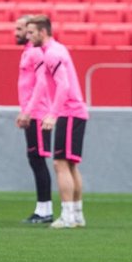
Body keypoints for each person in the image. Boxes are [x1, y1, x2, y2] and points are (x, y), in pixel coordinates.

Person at [26, 15, 88, 229]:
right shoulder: (51, 52)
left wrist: (52, 114)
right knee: (70, 164)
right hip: (73, 111)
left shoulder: (53, 54)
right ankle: (77, 214)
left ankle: (69, 215)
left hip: (69, 111)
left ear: (42, 32)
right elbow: (42, 85)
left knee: (60, 163)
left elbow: (63, 86)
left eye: (31, 32)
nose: (28, 36)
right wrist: (29, 111)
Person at [14, 15, 54, 224]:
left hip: (38, 114)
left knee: (38, 160)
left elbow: (41, 84)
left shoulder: (36, 53)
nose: (17, 33)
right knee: (35, 160)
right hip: (33, 113)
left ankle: (45, 209)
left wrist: (28, 111)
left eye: (20, 29)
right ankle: (42, 207)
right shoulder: (29, 52)